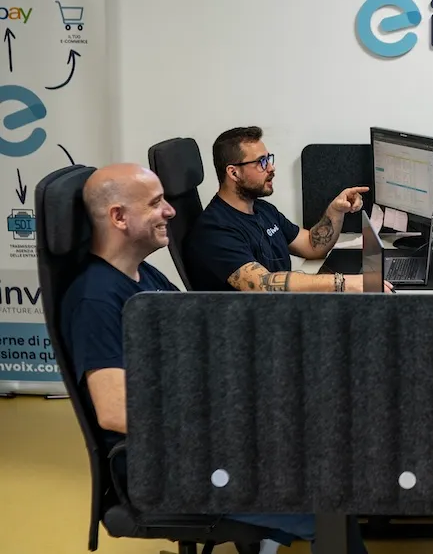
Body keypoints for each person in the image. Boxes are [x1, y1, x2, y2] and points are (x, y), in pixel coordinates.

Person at [60, 163, 367, 554]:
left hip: (199, 437)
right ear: (119, 217)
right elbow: (115, 412)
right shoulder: (96, 300)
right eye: (155, 204)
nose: (170, 211)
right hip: (168, 464)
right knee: (331, 501)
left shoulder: (142, 276)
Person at [183, 126, 389, 292]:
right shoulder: (214, 231)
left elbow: (312, 246)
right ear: (233, 173)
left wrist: (336, 210)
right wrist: (342, 283)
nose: (271, 168)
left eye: (269, 159)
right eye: (261, 162)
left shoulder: (262, 209)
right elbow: (262, 285)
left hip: (283, 310)